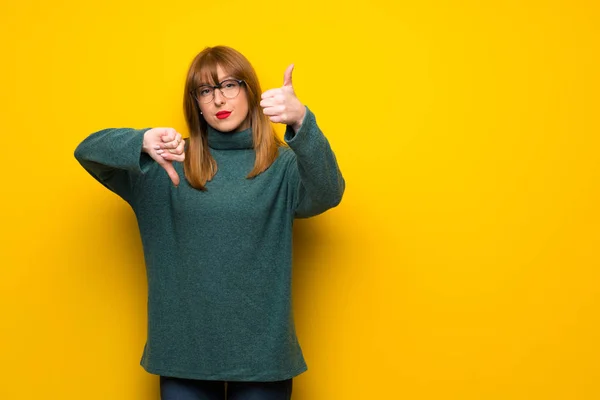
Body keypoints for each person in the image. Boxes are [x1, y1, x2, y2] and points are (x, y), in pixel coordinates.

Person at [74, 45, 345, 400]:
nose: (219, 99)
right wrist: (140, 141)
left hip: (262, 355)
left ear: (250, 90)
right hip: (184, 353)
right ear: (196, 103)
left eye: (229, 85)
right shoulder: (168, 164)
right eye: (206, 90)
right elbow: (88, 151)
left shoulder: (282, 166)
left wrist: (302, 121)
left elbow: (329, 192)